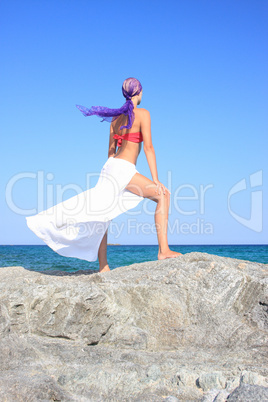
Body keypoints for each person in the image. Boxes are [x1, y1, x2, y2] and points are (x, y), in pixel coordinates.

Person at [26, 77, 181, 273]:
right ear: (139, 93)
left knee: (103, 213)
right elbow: (149, 148)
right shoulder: (143, 114)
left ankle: (103, 267)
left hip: (110, 167)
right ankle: (164, 250)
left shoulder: (115, 120)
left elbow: (110, 152)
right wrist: (156, 179)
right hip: (123, 168)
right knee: (163, 195)